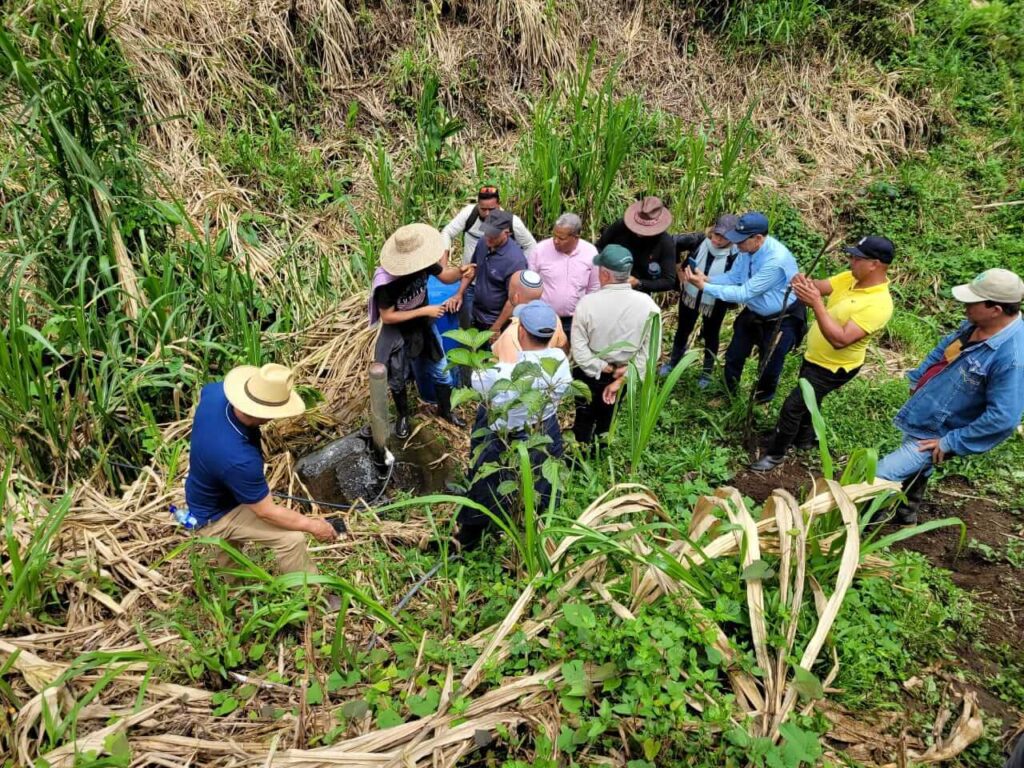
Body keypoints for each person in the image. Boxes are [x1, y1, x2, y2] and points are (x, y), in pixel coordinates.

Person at [875, 268, 1024, 524]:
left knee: (879, 476)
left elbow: (1003, 418)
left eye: (972, 302)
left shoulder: (1012, 358)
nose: (964, 306)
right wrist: (918, 378)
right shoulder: (976, 323)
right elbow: (945, 349)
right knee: (915, 467)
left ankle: (862, 525)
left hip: (939, 430)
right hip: (927, 412)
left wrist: (951, 442)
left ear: (995, 309)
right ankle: (906, 512)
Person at [750, 236, 896, 471]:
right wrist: (804, 284)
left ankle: (775, 454)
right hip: (814, 357)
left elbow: (840, 340)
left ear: (875, 264)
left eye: (856, 258)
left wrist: (817, 303)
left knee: (792, 406)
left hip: (834, 368)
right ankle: (804, 439)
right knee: (810, 399)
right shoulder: (850, 278)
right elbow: (821, 286)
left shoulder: (879, 304)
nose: (851, 261)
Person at [185, 363, 337, 581]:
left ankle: (234, 596)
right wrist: (314, 526)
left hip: (205, 491)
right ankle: (311, 598)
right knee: (291, 539)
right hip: (215, 516)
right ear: (265, 413)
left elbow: (206, 392)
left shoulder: (215, 394)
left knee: (231, 564)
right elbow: (266, 512)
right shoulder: (238, 458)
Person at [457, 300, 573, 549]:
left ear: (521, 332)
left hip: (504, 436)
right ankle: (534, 523)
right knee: (542, 480)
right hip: (545, 428)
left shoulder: (502, 374)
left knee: (486, 484)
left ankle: (470, 539)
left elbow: (475, 382)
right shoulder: (560, 362)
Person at [681, 211, 803, 404]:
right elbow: (734, 277)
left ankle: (760, 405)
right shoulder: (747, 250)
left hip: (781, 318)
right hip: (754, 312)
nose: (736, 244)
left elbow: (743, 293)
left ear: (758, 238)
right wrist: (709, 279)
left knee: (769, 365)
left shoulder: (775, 260)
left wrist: (705, 287)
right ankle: (727, 395)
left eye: (741, 240)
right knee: (734, 355)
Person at [370, 223, 475, 438]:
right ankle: (403, 417)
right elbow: (388, 316)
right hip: (398, 331)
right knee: (397, 377)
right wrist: (424, 310)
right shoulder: (386, 284)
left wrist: (460, 272)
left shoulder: (423, 262)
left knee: (440, 368)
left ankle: (445, 411)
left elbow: (445, 275)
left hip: (423, 325)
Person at [571, 244, 662, 443]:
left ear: (604, 274)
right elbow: (651, 352)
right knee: (609, 416)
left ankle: (579, 456)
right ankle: (601, 452)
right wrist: (622, 378)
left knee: (584, 416)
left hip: (590, 373)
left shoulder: (587, 304)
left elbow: (579, 350)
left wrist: (603, 367)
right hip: (623, 373)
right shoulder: (649, 306)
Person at [660, 214, 741, 387]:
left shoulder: (736, 255)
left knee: (711, 334)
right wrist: (677, 268)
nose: (717, 240)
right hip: (689, 294)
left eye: (723, 238)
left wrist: (708, 282)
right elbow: (671, 241)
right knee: (683, 328)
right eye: (716, 234)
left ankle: (706, 373)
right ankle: (674, 361)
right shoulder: (699, 240)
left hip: (715, 300)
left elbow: (736, 280)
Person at [441, 185, 537, 326]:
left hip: (498, 287)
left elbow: (531, 246)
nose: (486, 214)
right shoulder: (478, 232)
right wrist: (444, 267)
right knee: (467, 325)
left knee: (494, 328)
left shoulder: (511, 223)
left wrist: (521, 273)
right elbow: (447, 232)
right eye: (483, 209)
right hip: (471, 282)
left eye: (491, 210)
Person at [527, 212, 600, 337]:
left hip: (576, 321)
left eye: (561, 238)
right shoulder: (540, 250)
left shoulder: (590, 252)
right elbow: (529, 286)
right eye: (554, 236)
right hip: (544, 318)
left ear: (576, 237)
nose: (555, 241)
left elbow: (594, 287)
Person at [459, 210, 528, 337]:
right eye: (486, 232)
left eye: (493, 235)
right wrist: (458, 294)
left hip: (496, 321)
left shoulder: (515, 261)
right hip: (476, 313)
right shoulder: (483, 243)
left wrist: (496, 327)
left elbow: (513, 300)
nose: (488, 238)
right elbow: (472, 269)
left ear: (506, 233)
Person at [596, 196, 677, 296]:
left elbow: (668, 281)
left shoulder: (665, 242)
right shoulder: (621, 227)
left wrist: (639, 283)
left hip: (639, 293)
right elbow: (598, 248)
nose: (640, 232)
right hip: (608, 285)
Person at [492, 269, 569, 362]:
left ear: (516, 297)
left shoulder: (513, 333)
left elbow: (506, 373)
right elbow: (563, 347)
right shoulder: (553, 318)